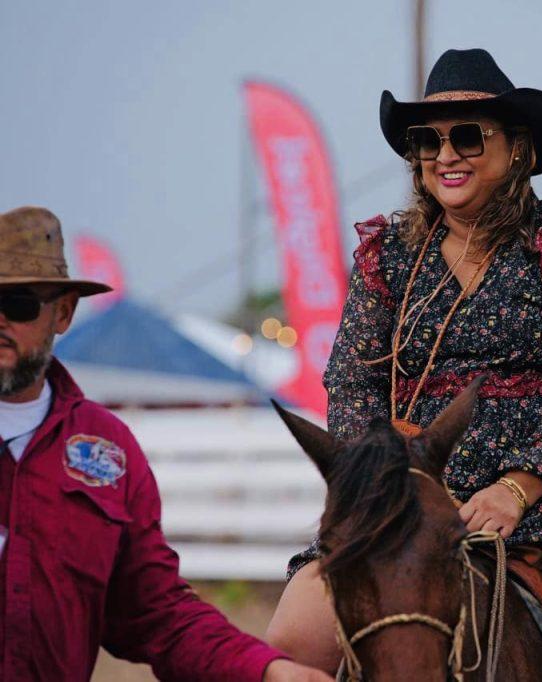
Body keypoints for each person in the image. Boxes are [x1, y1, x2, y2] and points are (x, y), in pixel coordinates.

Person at [268, 49, 542, 680]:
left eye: (466, 136)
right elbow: (352, 380)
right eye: (426, 141)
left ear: (516, 148)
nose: (445, 155)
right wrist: (378, 480)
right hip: (410, 487)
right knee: (291, 643)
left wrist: (520, 485)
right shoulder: (385, 254)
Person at [0, 207, 331, 681]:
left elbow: (157, 615)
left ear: (64, 313)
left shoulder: (108, 451)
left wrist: (270, 672)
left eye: (19, 303)